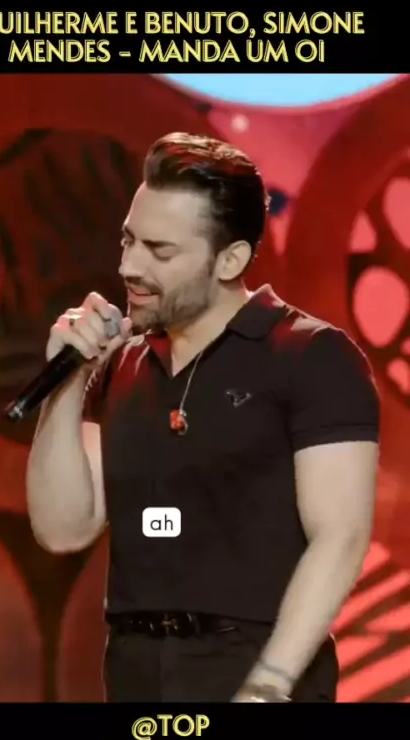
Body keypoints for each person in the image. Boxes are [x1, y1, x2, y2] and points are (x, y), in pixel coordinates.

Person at [26, 132, 380, 703]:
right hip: (137, 675)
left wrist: (268, 685)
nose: (129, 266)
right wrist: (65, 386)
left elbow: (340, 537)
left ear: (229, 259)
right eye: (128, 241)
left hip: (255, 668)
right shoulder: (121, 365)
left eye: (160, 252)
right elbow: (64, 528)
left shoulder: (311, 355)